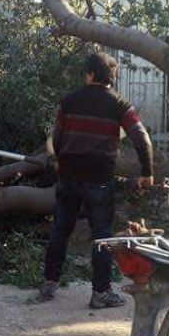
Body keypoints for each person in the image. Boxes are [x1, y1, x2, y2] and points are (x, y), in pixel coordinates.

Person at [40, 51, 154, 309]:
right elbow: (141, 137)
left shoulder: (68, 102)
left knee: (60, 229)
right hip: (100, 178)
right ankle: (100, 292)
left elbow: (56, 138)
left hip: (69, 175)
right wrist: (147, 172)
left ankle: (49, 282)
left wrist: (58, 160)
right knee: (102, 235)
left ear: (90, 74)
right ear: (111, 77)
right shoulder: (120, 105)